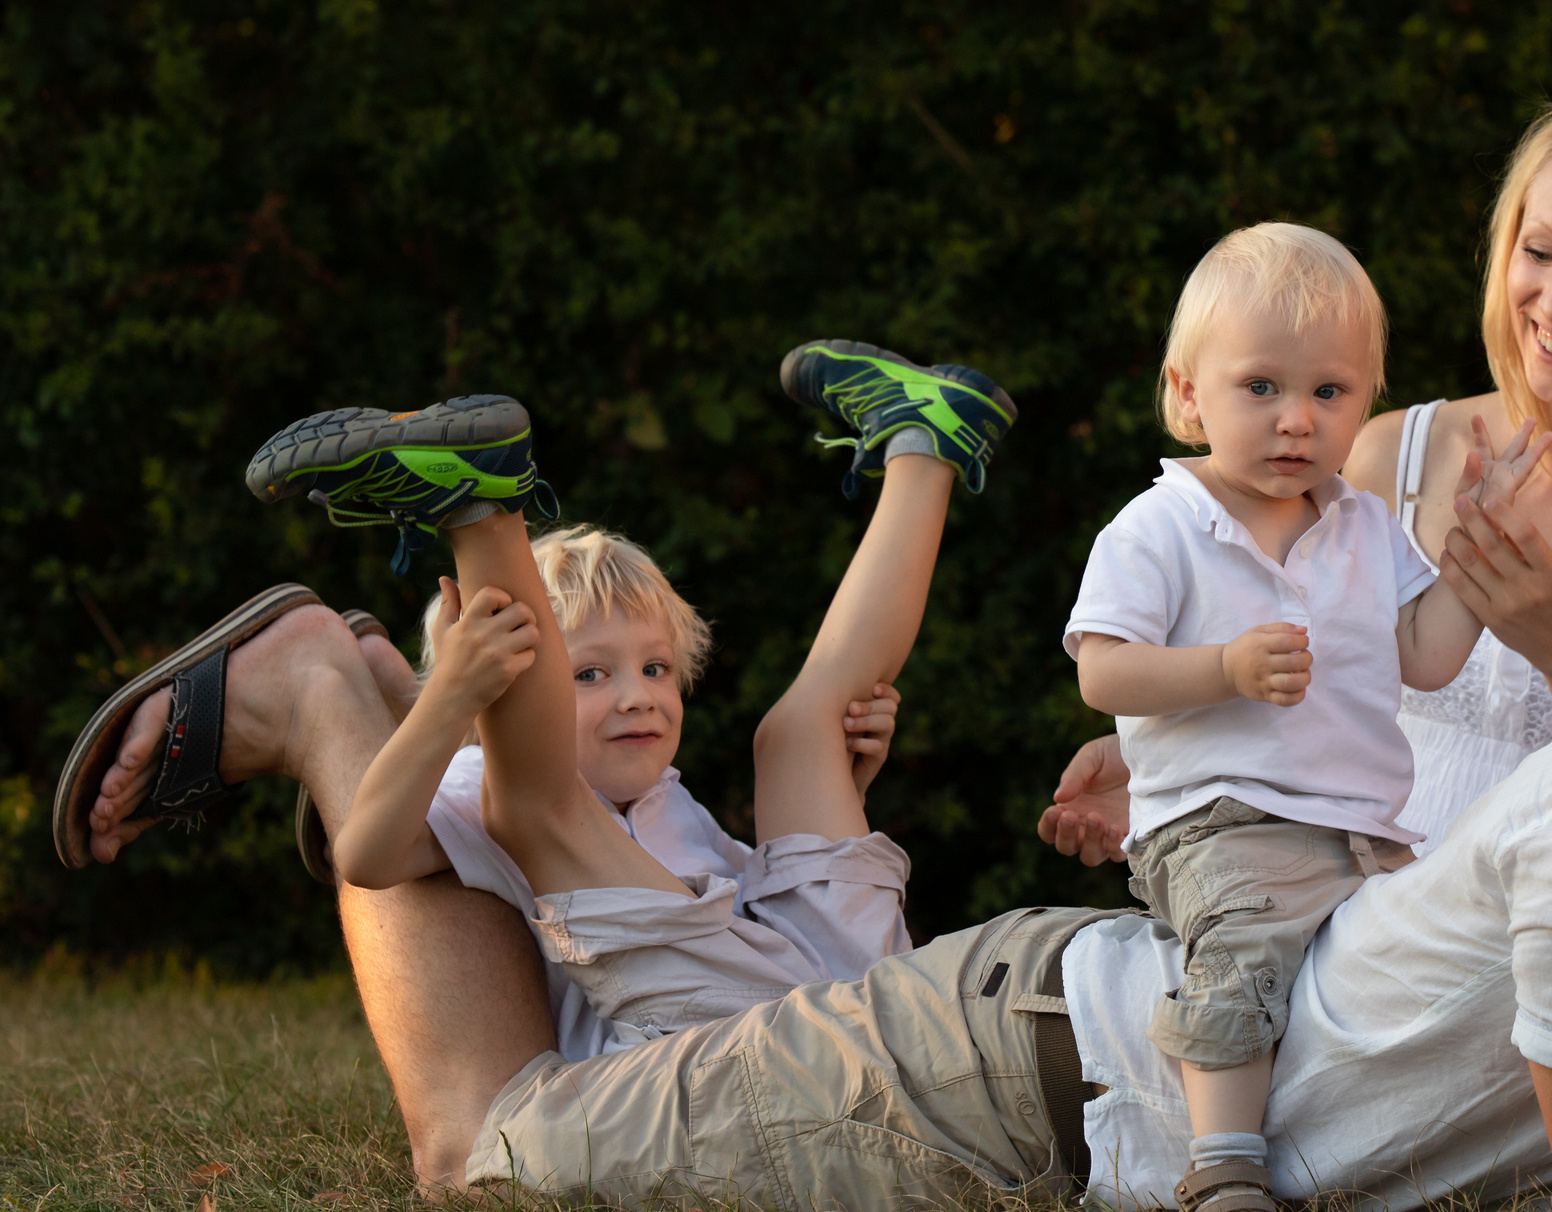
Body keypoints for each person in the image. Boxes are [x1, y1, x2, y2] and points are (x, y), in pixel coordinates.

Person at [284, 551, 1552, 1212]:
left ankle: (363, 690)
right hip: (1015, 1082)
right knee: (488, 1150)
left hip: (1075, 1075)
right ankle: (318, 695)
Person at [1041, 94, 1552, 865]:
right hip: (1359, 897)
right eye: (1540, 251)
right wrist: (1166, 764)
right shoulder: (1385, 454)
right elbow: (1300, 669)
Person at [247, 346, 1015, 1049]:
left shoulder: (674, 804)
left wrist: (842, 791)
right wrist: (450, 699)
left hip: (836, 995)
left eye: (655, 668)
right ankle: (480, 506)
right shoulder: (484, 783)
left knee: (797, 735)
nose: (637, 696)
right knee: (548, 791)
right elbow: (365, 854)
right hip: (735, 1035)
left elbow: (765, 921)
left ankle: (925, 437)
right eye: (588, 674)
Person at [1066, 223, 1546, 1212]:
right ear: (1187, 393)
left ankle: (1375, 1157)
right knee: (1244, 956)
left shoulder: (1364, 524)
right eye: (1261, 388)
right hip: (1221, 819)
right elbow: (1102, 669)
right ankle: (1222, 1173)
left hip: (1367, 828)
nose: (1297, 419)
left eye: (1330, 391)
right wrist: (1223, 669)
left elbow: (1424, 654)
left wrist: (1475, 549)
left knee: (1388, 982)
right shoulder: (1159, 526)